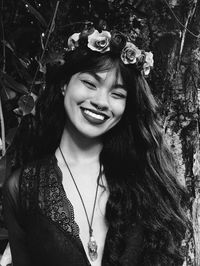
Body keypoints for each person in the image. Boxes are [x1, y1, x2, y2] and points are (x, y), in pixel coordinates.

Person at [2, 24, 189, 266]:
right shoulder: (21, 188)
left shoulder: (147, 181)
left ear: (126, 107)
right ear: (64, 85)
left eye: (118, 94)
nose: (101, 101)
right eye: (90, 83)